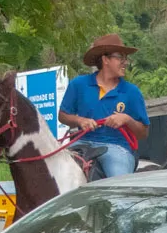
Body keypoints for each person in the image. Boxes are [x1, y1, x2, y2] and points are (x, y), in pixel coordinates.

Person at [58, 33, 150, 177]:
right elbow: (62, 116)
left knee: (118, 188)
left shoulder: (132, 92)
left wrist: (127, 119)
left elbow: (143, 133)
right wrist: (80, 120)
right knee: (54, 171)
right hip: (81, 142)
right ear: (105, 59)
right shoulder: (78, 84)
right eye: (120, 57)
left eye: (126, 58)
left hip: (116, 147)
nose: (125, 62)